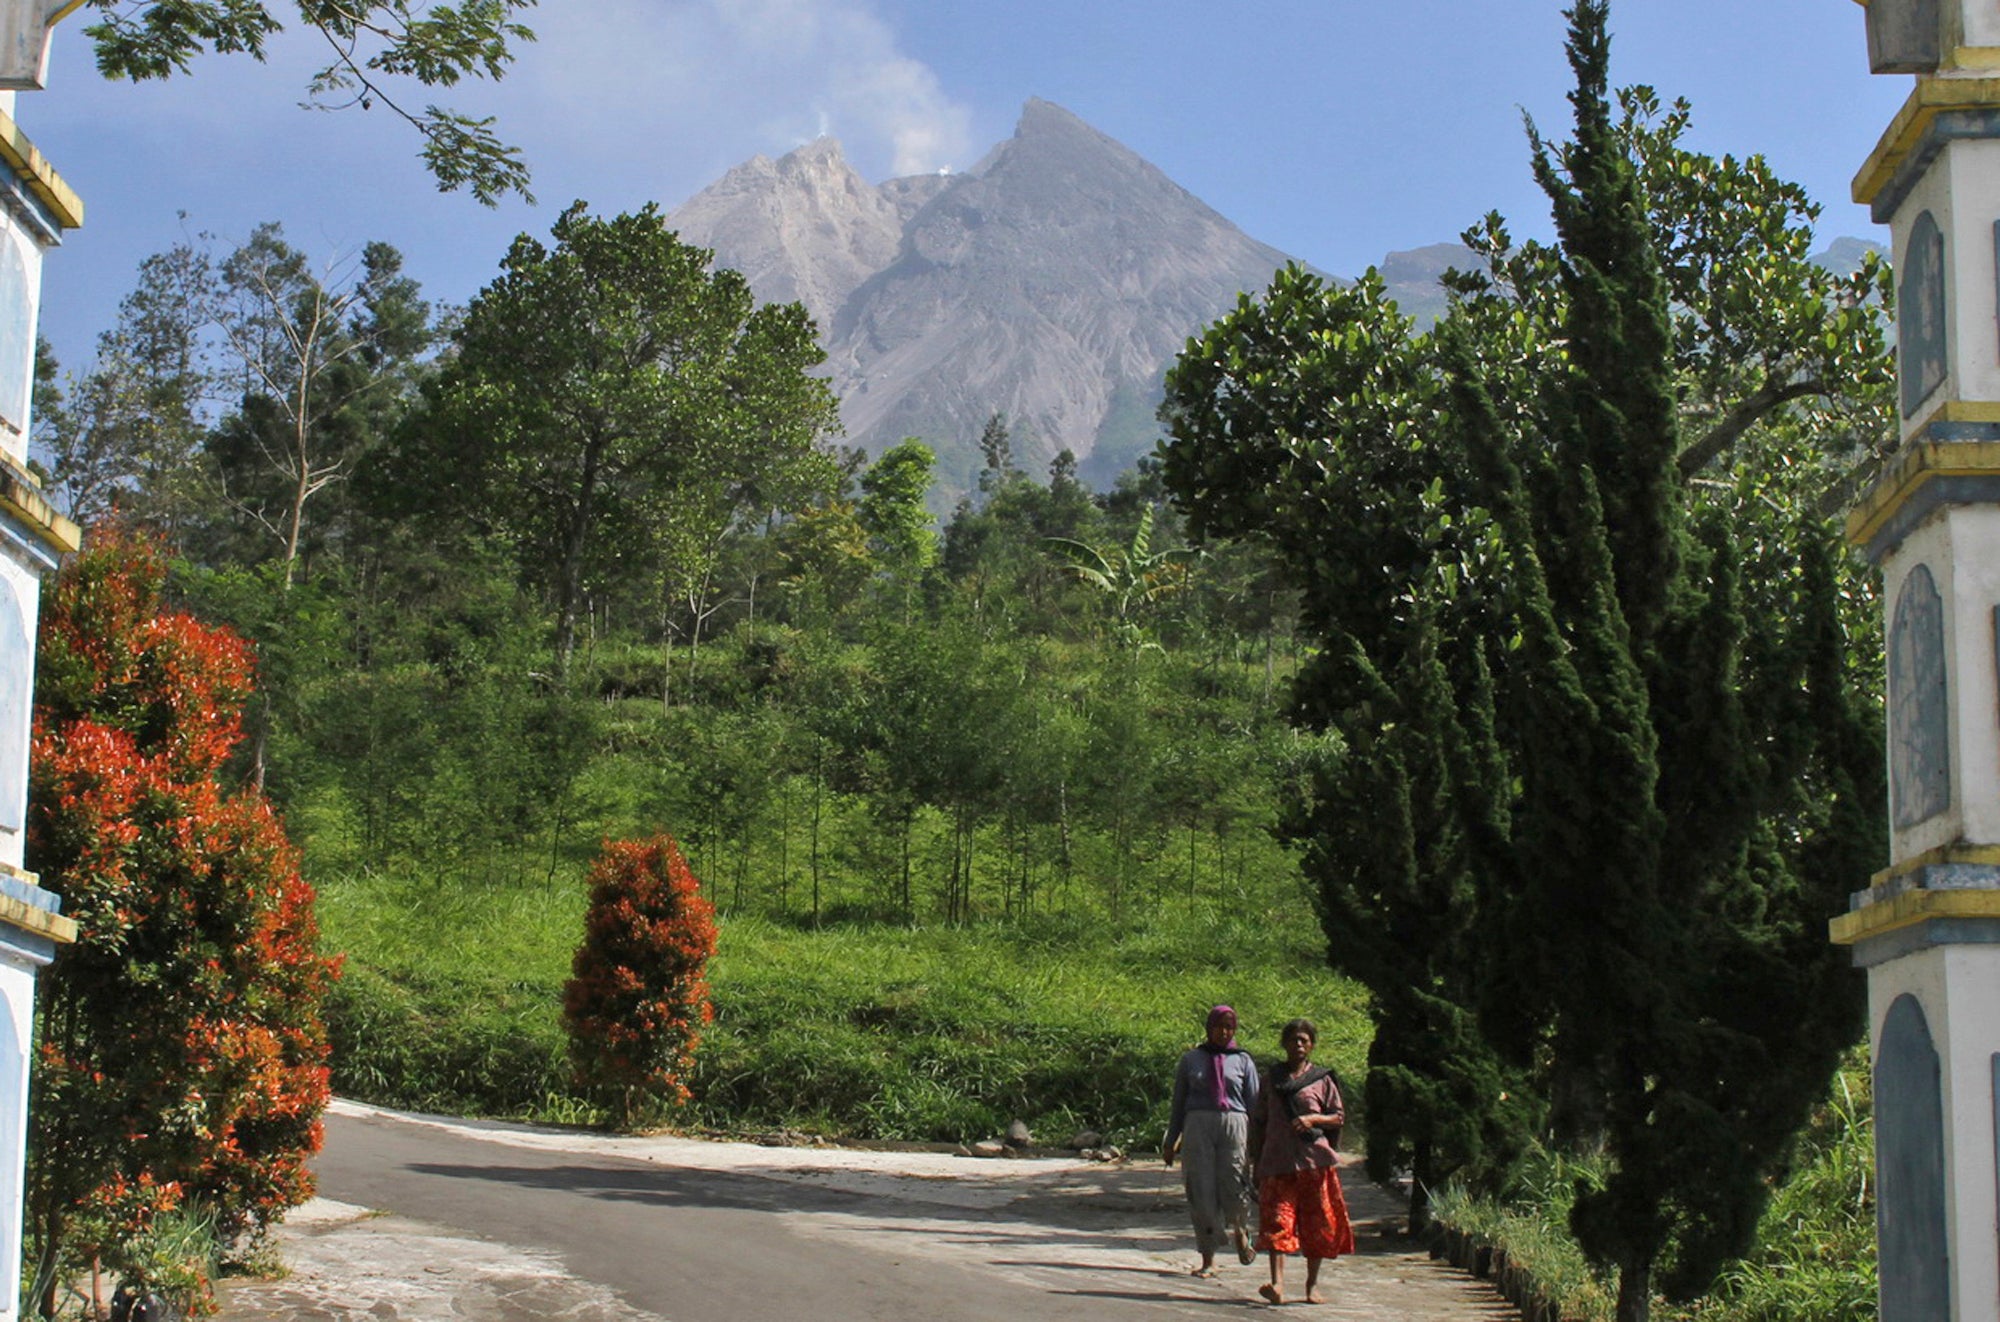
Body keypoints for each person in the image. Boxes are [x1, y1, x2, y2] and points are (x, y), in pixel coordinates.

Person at [1251, 1017, 1355, 1305]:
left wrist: (1312, 1118)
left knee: (1318, 1224)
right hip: (1277, 1162)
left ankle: (1312, 1285)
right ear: (1283, 1043)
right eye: (1293, 1039)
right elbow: (1259, 1121)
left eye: (1304, 1040)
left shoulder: (1322, 1080)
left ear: (1311, 1046)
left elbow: (1338, 1116)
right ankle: (1277, 1284)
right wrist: (1255, 1162)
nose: (1298, 1044)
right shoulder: (1271, 1080)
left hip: (1314, 1163)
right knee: (1276, 1222)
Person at [1164, 1004, 1261, 1276]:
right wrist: (1171, 1139)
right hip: (1197, 1125)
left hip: (1234, 1123)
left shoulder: (1243, 1060)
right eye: (1219, 1026)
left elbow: (1254, 1104)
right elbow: (1178, 1103)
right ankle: (1208, 1259)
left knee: (1235, 1184)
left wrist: (1258, 1144)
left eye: (1229, 1027)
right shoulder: (1191, 1059)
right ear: (1209, 1028)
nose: (1224, 1032)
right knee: (1201, 1191)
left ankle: (1241, 1233)